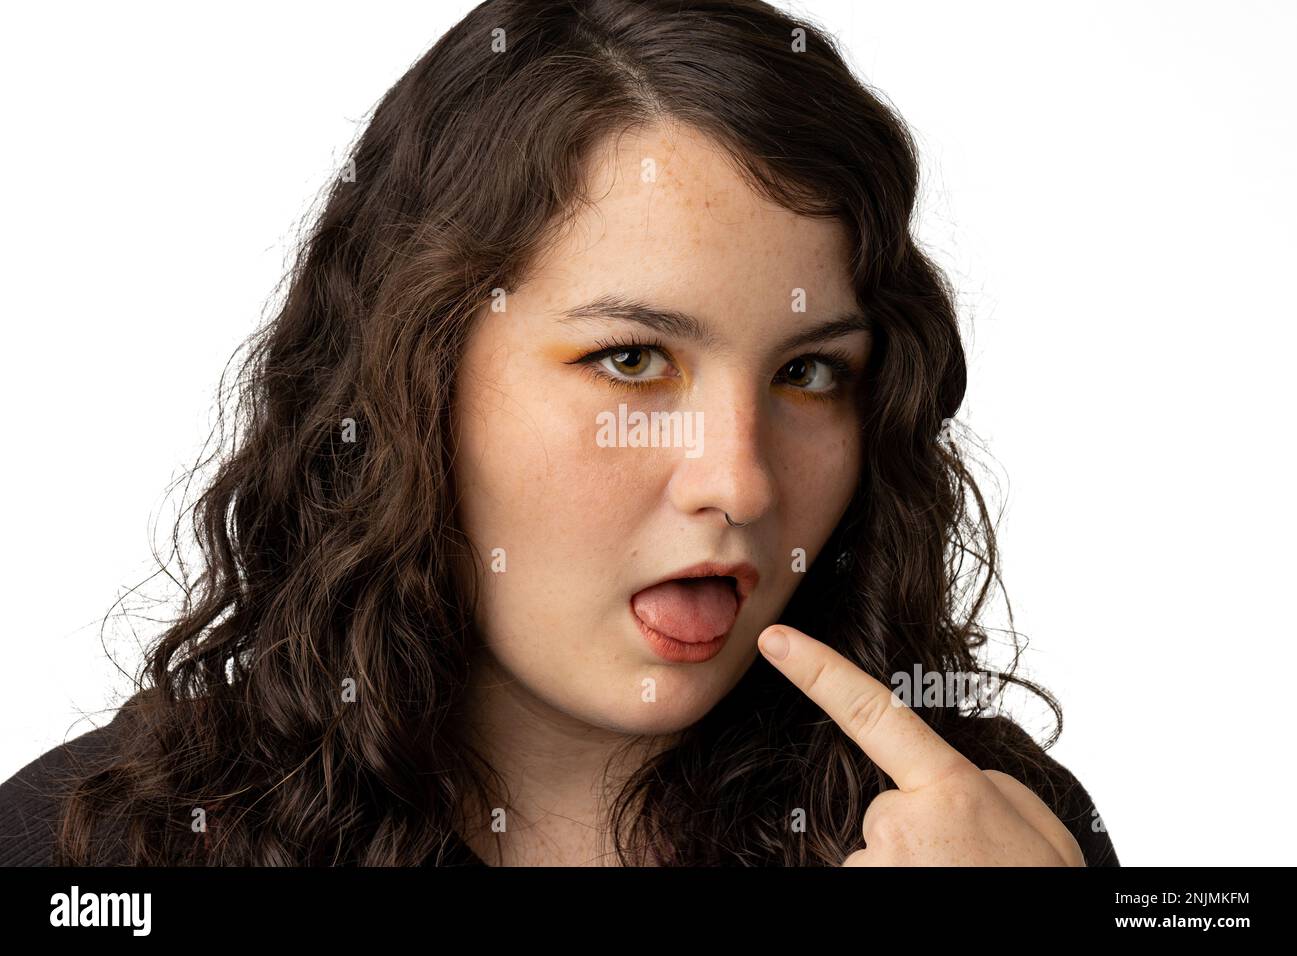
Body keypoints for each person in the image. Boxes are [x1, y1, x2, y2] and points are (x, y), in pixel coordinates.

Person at [0, 0, 1118, 867]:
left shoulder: (983, 828)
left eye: (809, 372)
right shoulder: (94, 841)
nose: (738, 481)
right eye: (630, 359)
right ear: (412, 381)